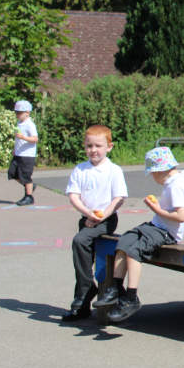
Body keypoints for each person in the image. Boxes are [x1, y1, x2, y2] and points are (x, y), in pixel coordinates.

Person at [94, 146, 184, 323]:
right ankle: (116, 288)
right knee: (124, 241)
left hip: (166, 232)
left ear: (160, 171)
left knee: (134, 251)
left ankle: (131, 297)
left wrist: (156, 209)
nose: (152, 177)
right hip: (155, 226)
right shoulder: (179, 179)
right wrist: (166, 207)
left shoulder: (176, 186)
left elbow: (181, 216)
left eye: (152, 173)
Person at [62, 125, 128, 321]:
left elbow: (119, 198)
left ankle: (87, 288)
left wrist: (102, 215)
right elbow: (73, 195)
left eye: (98, 146)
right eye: (89, 146)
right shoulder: (81, 169)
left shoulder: (113, 170)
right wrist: (88, 213)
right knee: (84, 258)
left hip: (106, 219)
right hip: (87, 217)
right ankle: (81, 305)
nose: (93, 150)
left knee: (79, 241)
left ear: (109, 147)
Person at [8, 99, 38, 206]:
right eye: (16, 112)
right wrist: (15, 149)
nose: (17, 115)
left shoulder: (30, 124)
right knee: (12, 173)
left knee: (25, 176)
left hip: (27, 155)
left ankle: (29, 197)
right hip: (18, 153)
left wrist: (24, 137)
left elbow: (35, 139)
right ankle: (30, 186)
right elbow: (18, 139)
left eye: (20, 113)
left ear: (27, 113)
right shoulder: (19, 123)